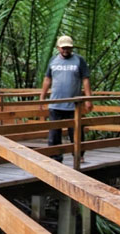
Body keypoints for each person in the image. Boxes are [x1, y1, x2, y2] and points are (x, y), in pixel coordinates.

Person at [39, 35, 92, 163]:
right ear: (58, 48)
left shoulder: (79, 60)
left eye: (68, 48)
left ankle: (78, 156)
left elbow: (85, 80)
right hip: (55, 103)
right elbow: (47, 79)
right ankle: (55, 157)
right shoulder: (53, 60)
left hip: (73, 104)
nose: (65, 50)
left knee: (76, 131)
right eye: (63, 48)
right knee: (54, 133)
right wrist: (42, 97)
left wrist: (88, 99)